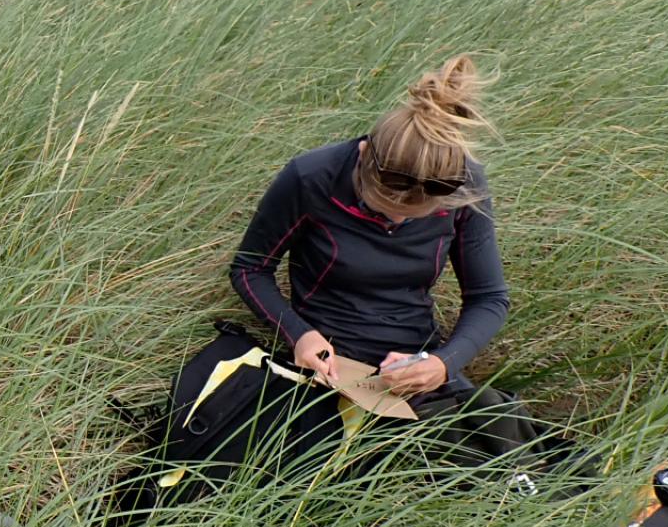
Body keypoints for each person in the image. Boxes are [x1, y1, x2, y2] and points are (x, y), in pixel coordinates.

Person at [227, 54, 541, 467]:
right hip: (327, 362)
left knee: (498, 459)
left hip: (414, 364)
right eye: (383, 209)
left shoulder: (465, 186)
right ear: (363, 157)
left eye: (413, 217)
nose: (394, 221)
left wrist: (443, 364)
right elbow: (250, 269)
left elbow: (488, 298)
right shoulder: (311, 177)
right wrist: (299, 334)